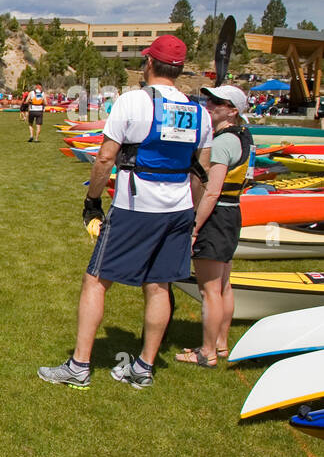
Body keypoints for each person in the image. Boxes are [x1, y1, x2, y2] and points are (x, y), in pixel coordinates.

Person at [39, 34, 212, 390]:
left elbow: (105, 157)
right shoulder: (200, 113)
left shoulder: (132, 102)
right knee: (159, 285)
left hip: (136, 206)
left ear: (149, 64)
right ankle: (144, 366)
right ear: (178, 70)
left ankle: (79, 365)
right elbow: (201, 173)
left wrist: (93, 200)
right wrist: (190, 214)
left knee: (97, 280)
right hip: (178, 209)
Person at [176, 85, 253, 367]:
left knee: (209, 289)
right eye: (208, 100)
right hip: (232, 215)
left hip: (217, 216)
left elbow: (212, 190)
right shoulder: (244, 136)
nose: (209, 105)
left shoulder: (222, 142)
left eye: (217, 102)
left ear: (232, 110)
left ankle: (206, 352)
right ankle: (220, 344)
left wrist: (195, 227)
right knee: (223, 285)